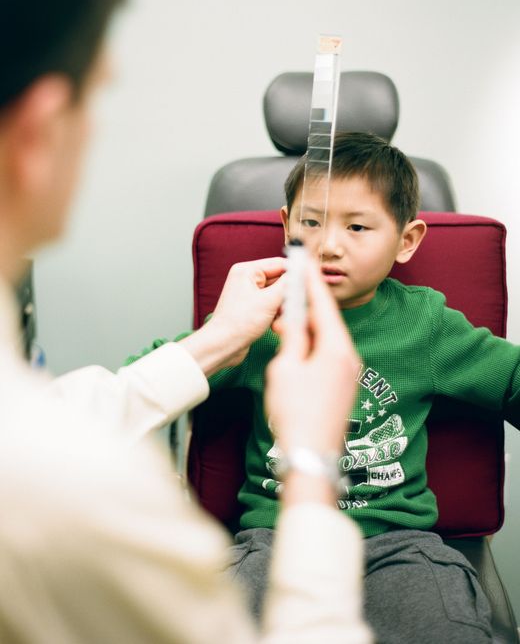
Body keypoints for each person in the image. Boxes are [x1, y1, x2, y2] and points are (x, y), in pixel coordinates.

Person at [0, 0, 373, 642]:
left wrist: (216, 341)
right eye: (97, 99)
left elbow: (55, 418)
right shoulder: (81, 494)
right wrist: (313, 465)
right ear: (42, 131)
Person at [131, 131, 520, 643]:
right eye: (310, 222)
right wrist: (219, 336)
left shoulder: (425, 324)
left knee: (447, 628)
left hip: (398, 546)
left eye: (357, 226)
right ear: (286, 225)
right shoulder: (258, 318)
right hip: (274, 538)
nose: (328, 243)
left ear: (407, 241)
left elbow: (510, 378)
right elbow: (157, 375)